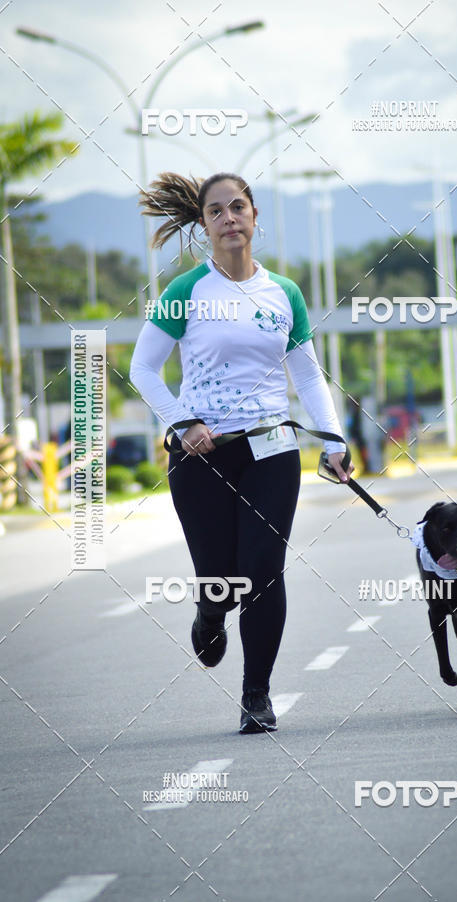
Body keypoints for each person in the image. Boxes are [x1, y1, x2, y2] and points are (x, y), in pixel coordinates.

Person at [129, 171, 353, 734]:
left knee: (263, 572)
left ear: (254, 216)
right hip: (201, 456)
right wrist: (183, 423)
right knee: (220, 578)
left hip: (272, 450)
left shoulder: (285, 294)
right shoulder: (186, 292)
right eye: (217, 212)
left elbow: (307, 373)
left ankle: (257, 696)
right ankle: (210, 611)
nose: (230, 219)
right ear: (203, 226)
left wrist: (332, 440)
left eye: (238, 208)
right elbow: (143, 369)